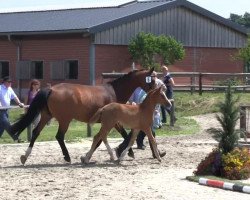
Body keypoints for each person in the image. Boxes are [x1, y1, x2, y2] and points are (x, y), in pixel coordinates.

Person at [0, 76, 24, 142]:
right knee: (7, 124)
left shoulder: (10, 89)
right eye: (9, 82)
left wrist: (19, 103)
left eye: (11, 82)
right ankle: (16, 138)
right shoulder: (0, 88)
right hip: (0, 111)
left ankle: (16, 138)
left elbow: (14, 97)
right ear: (4, 82)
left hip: (6, 110)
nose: (10, 83)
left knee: (2, 127)